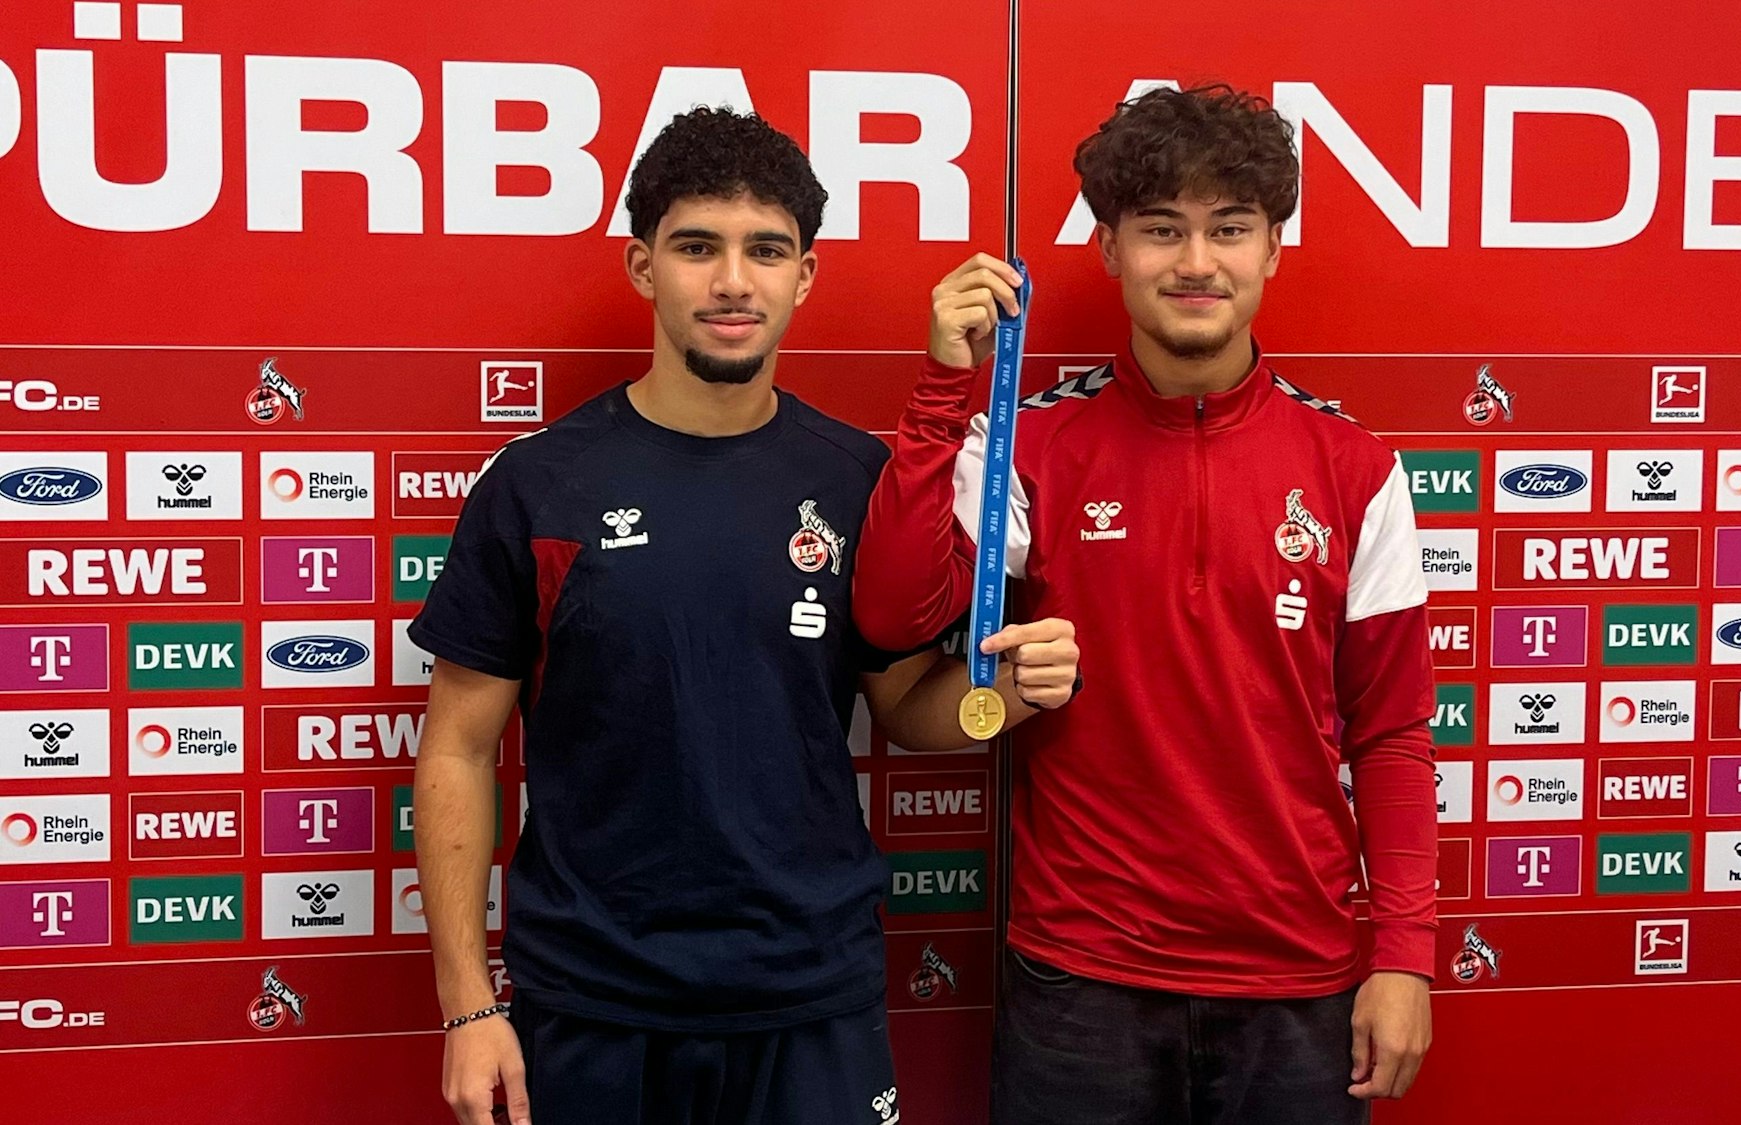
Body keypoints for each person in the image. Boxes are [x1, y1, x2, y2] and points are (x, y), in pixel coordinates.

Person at [410, 107, 1079, 1125]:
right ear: (643, 267)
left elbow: (908, 707)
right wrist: (467, 1008)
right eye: (696, 248)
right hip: (593, 1003)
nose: (732, 281)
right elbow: (457, 750)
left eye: (764, 251)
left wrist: (1005, 699)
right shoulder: (536, 485)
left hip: (810, 996)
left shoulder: (859, 482)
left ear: (803, 277)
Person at [852, 85, 1438, 1123]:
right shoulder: (1031, 443)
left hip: (1298, 982)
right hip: (1083, 978)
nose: (1197, 262)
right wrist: (947, 387)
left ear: (1271, 250)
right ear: (1113, 250)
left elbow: (1390, 733)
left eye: (1229, 230)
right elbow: (895, 615)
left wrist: (1402, 955)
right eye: (1162, 230)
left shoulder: (1351, 465)